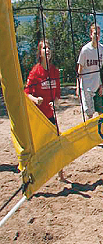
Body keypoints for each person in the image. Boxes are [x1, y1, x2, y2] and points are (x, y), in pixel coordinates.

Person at [25, 39, 66, 182]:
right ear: (40, 53)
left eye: (48, 48)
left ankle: (61, 174)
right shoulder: (35, 72)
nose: (47, 50)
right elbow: (26, 93)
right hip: (37, 117)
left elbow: (57, 95)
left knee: (57, 143)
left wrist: (54, 102)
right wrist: (35, 100)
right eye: (44, 48)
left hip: (49, 115)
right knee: (36, 149)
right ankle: (31, 178)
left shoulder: (54, 71)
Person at [76, 23, 103, 118]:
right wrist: (78, 86)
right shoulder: (85, 50)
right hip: (86, 86)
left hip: (97, 86)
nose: (97, 36)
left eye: (98, 33)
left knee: (101, 112)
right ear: (90, 35)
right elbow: (80, 69)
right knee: (89, 114)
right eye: (95, 33)